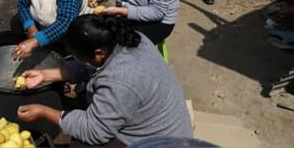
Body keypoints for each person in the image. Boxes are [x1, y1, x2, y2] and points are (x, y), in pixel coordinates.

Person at [17, 14, 192, 147]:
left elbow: (93, 130)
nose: (79, 60)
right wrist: (45, 74)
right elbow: (88, 66)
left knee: (80, 143)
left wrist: (44, 112)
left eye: (80, 56)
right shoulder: (126, 38)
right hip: (156, 119)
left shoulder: (121, 81)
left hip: (158, 140)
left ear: (98, 53)